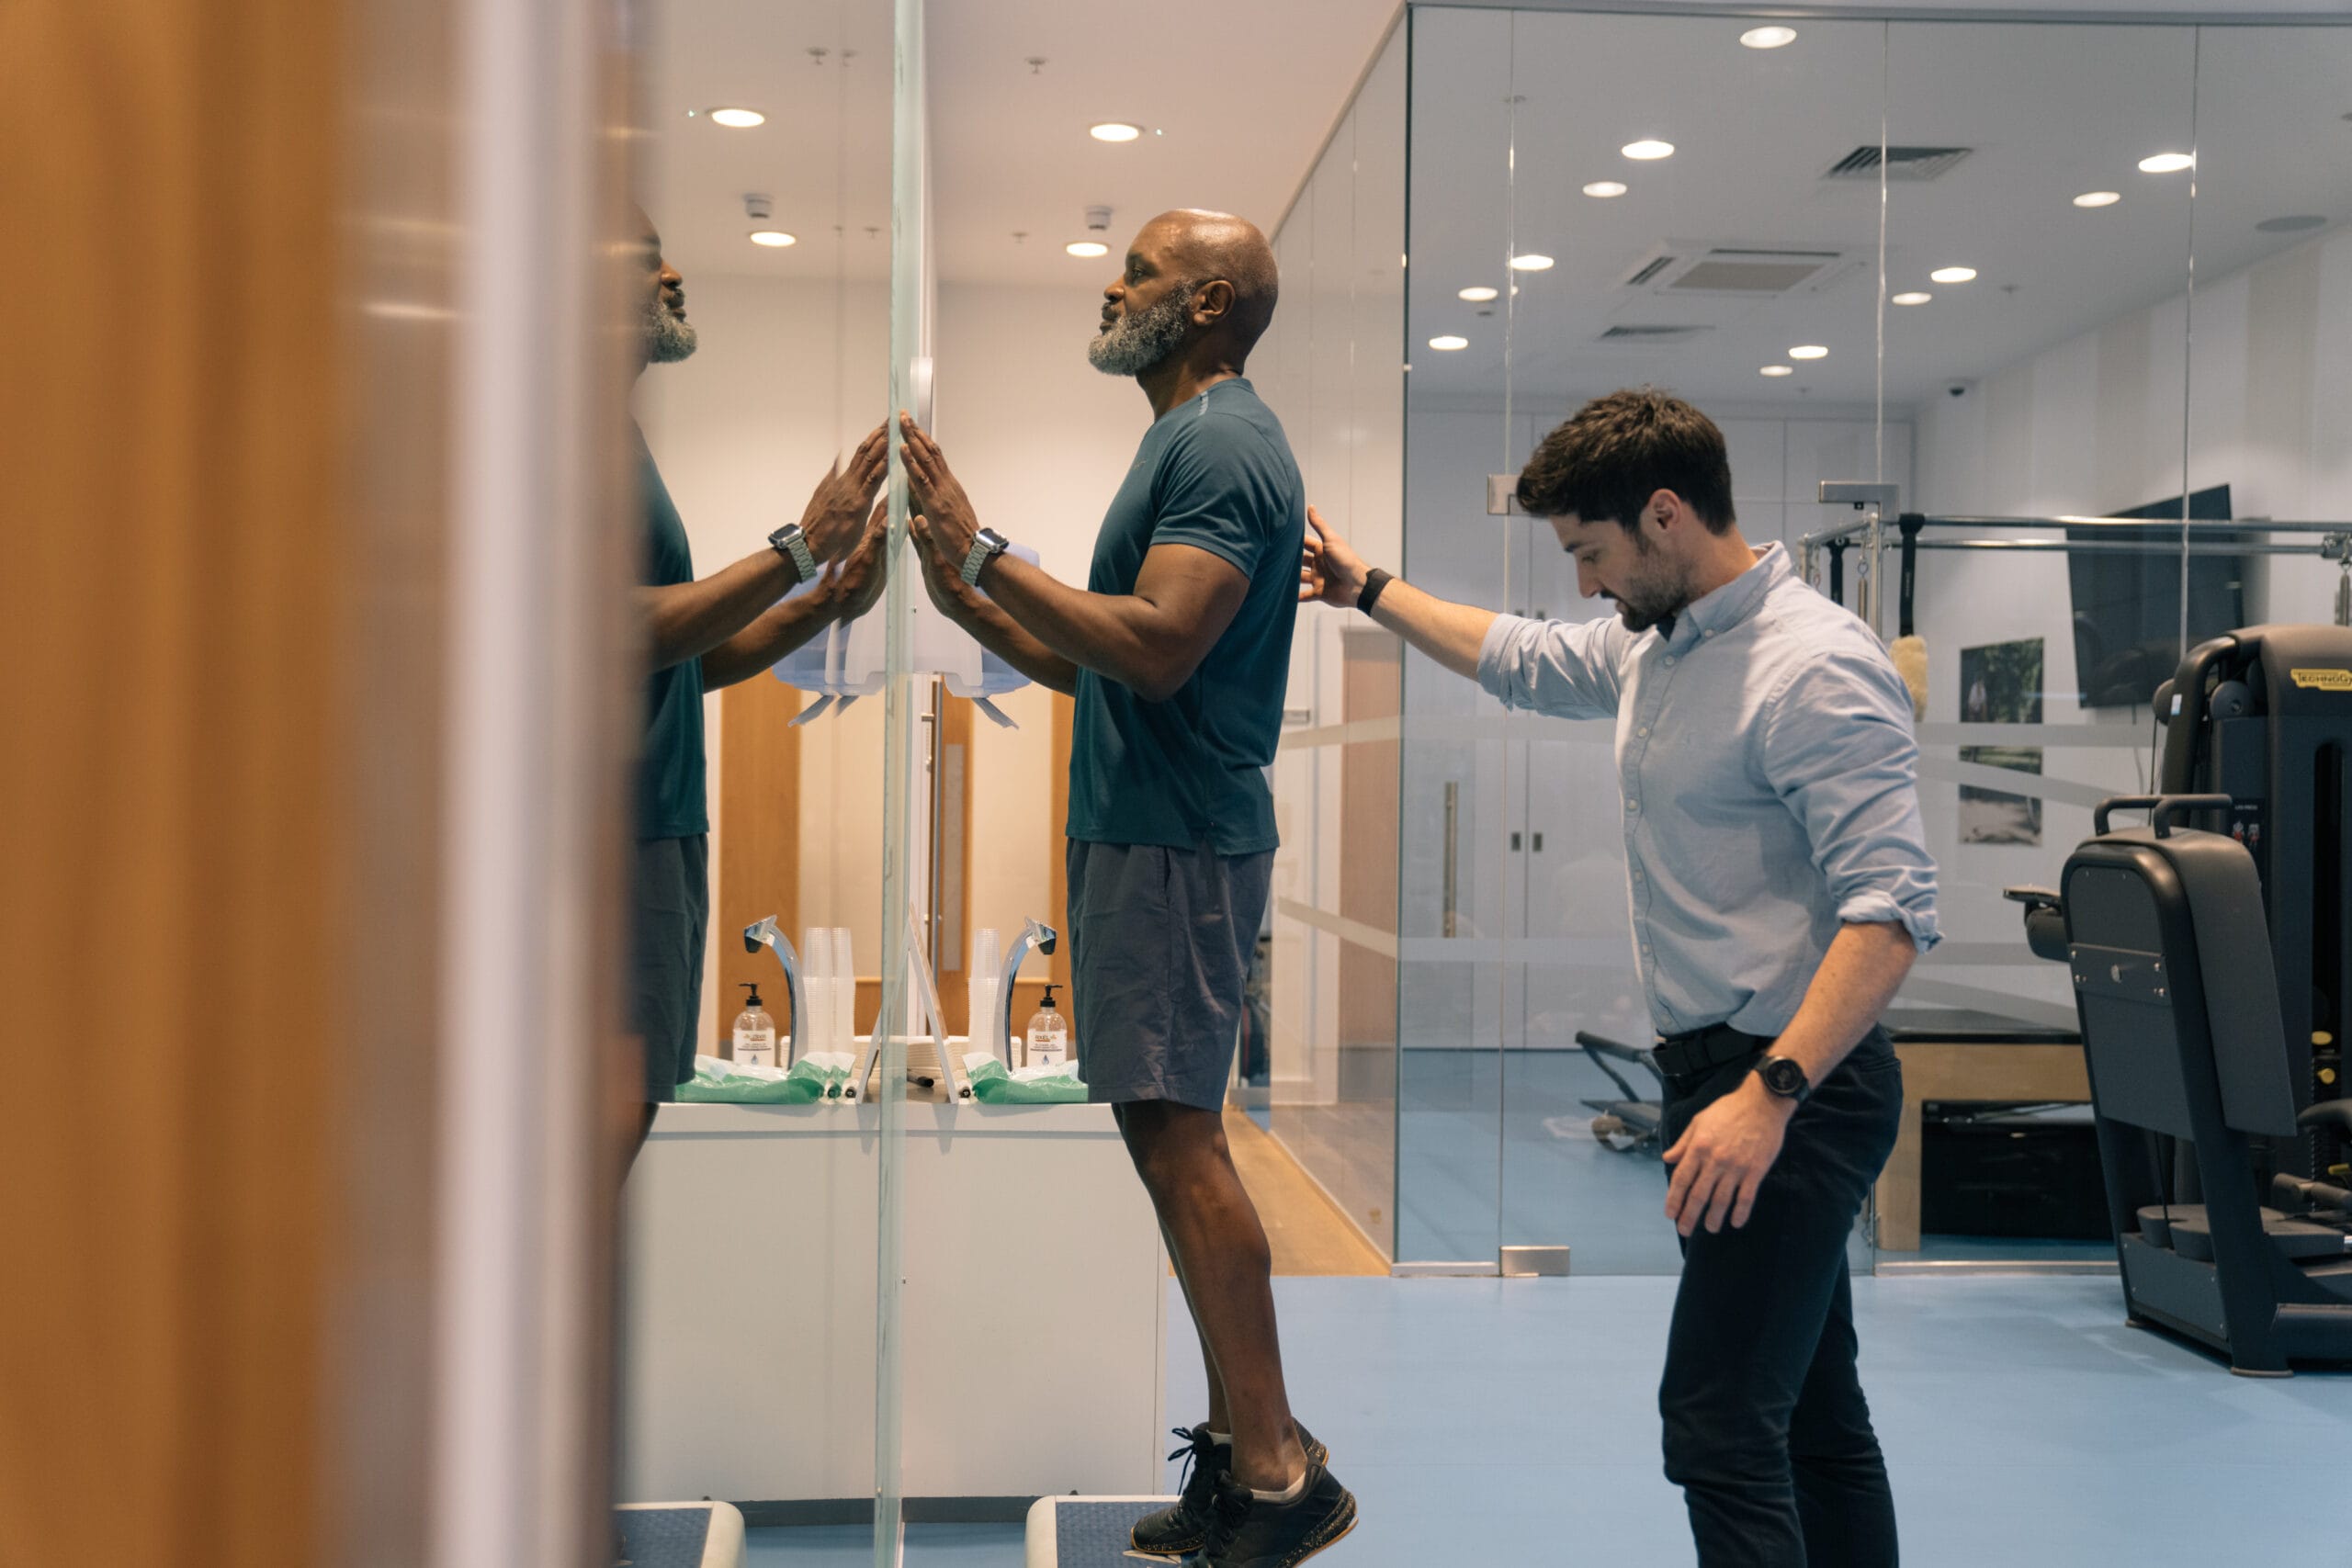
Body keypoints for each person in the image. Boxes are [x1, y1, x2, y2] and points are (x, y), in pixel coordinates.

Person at [1300, 388, 1938, 1568]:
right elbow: (1520, 657)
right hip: (1722, 1079)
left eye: (1591, 554)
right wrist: (1368, 590)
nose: (1586, 585)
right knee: (1809, 1419)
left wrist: (1769, 1096)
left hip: (1790, 1089)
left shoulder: (1812, 668)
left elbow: (1889, 913)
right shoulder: (1664, 647)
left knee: (1717, 1430)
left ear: (1664, 515)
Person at [896, 210, 1355, 1568]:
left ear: (1208, 301)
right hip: (1139, 825)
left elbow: (1159, 648)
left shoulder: (1220, 441)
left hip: (1176, 836)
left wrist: (986, 552)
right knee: (1168, 1137)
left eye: (1142, 270)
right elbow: (1106, 663)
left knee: (1180, 1137)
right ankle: (1242, 1456)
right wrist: (966, 585)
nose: (1115, 283)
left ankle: (1278, 1471)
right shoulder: (1180, 437)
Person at [625, 209, 888, 1164]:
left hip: (652, 830)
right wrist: (797, 550)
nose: (672, 276)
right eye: (647, 262)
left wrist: (822, 601)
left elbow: (675, 657)